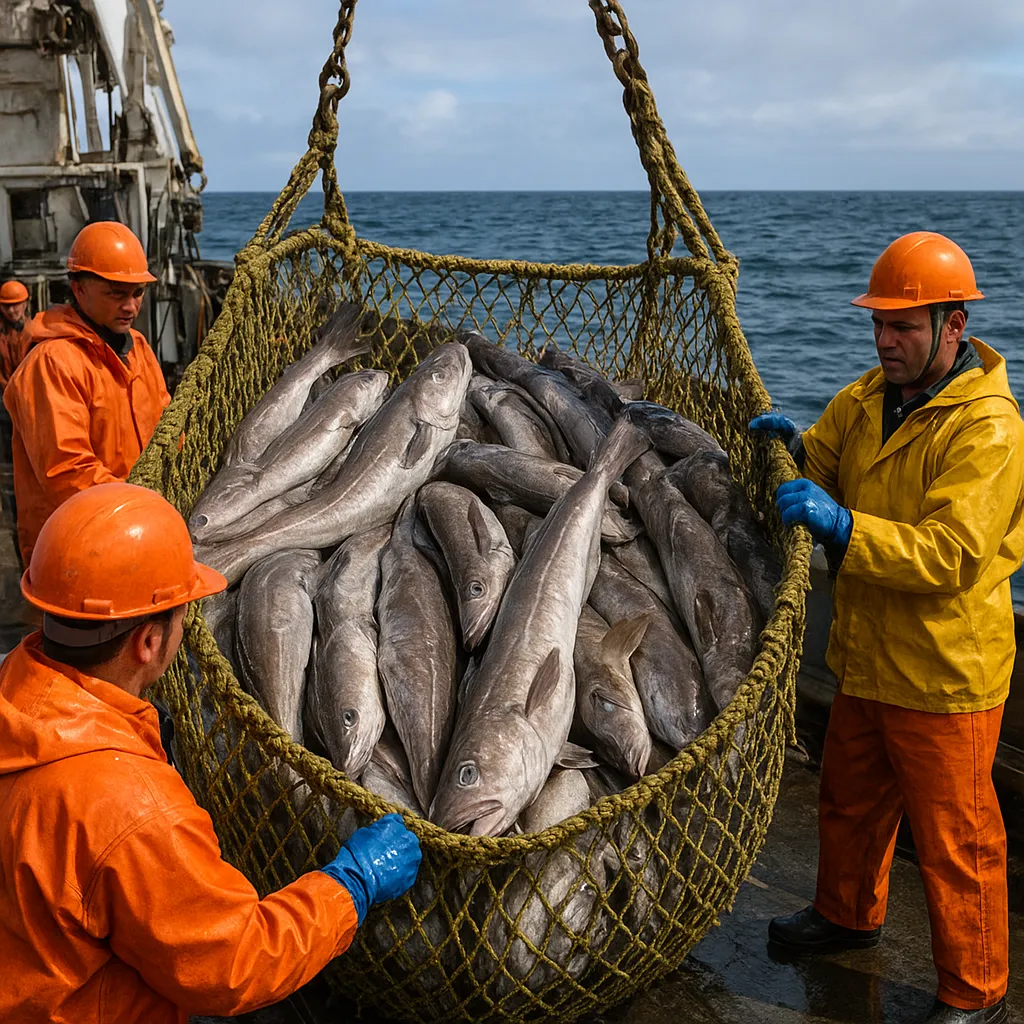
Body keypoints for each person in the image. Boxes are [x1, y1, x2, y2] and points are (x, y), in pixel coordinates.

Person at [0, 481, 422, 1022]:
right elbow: (236, 965)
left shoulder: (15, 688)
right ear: (149, 642)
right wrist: (349, 885)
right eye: (181, 613)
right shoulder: (135, 809)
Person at [752, 231, 1024, 1024]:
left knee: (957, 843)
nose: (885, 340)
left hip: (945, 674)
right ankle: (846, 916)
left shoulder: (989, 428)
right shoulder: (867, 397)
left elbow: (951, 554)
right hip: (868, 657)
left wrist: (841, 529)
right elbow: (823, 466)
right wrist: (791, 453)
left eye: (904, 326)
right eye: (880, 322)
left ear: (954, 325)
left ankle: (977, 993)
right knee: (848, 802)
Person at [3, 222, 171, 566]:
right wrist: (145, 509)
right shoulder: (52, 362)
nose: (130, 306)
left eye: (137, 293)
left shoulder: (139, 348)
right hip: (77, 552)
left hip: (141, 531)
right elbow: (68, 473)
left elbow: (167, 429)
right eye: (116, 293)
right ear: (78, 290)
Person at [0, 279, 36, 390]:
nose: (11, 311)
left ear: (25, 304)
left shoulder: (36, 333)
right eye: (6, 306)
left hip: (28, 392)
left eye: (15, 305)